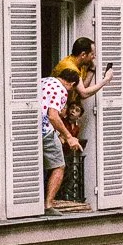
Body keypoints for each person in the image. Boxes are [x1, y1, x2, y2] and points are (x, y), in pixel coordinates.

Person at [41, 63, 85, 210]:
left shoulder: (44, 80)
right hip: (44, 130)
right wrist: (69, 137)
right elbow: (53, 116)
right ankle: (48, 204)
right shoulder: (61, 89)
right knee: (59, 166)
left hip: (28, 130)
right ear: (71, 84)